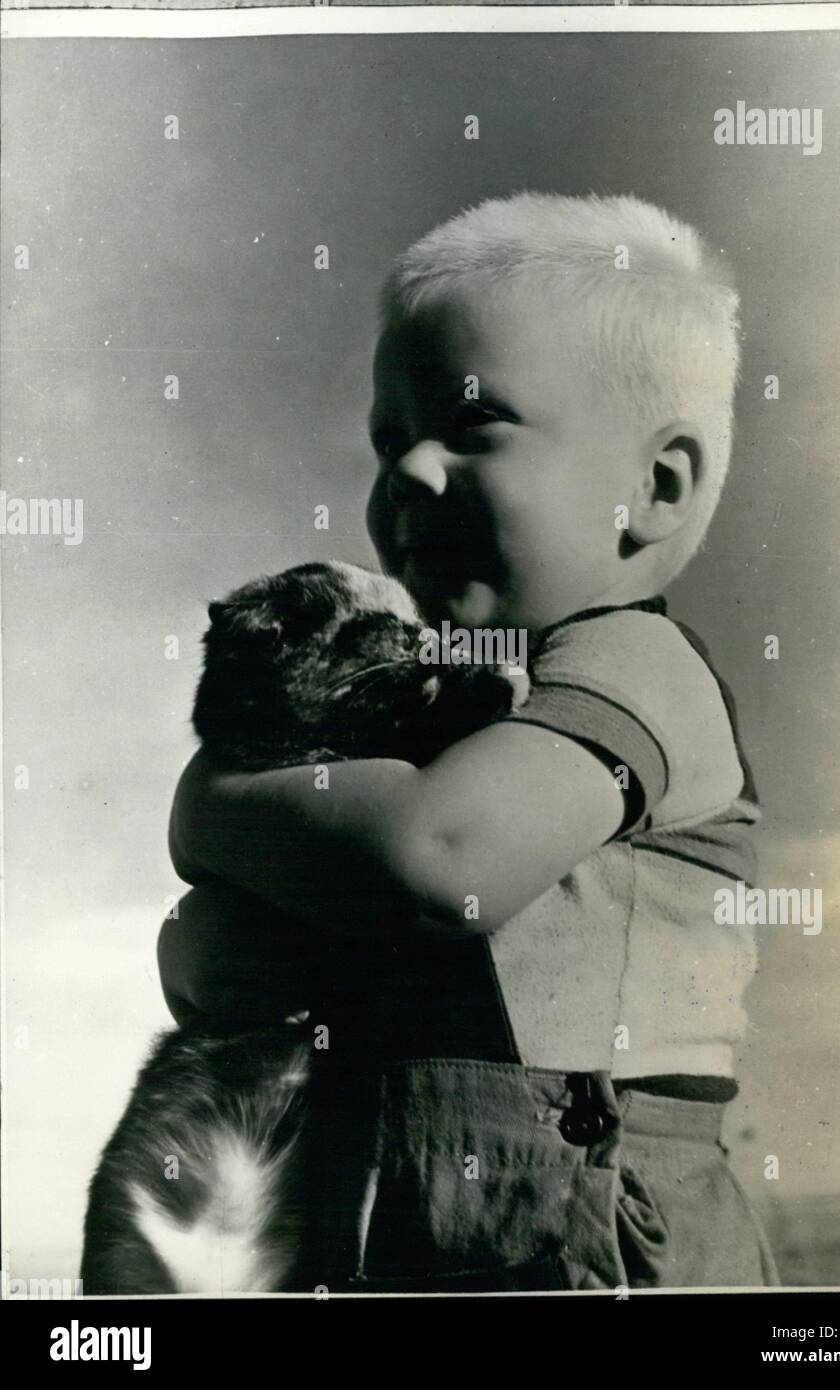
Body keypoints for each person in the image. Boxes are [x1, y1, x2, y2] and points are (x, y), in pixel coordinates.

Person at [159, 192, 779, 1291]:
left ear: (655, 487)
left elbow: (439, 865)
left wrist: (209, 805)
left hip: (588, 1235)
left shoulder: (637, 665)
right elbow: (231, 946)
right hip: (394, 1228)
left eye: (472, 424)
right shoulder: (451, 715)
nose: (406, 472)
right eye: (390, 439)